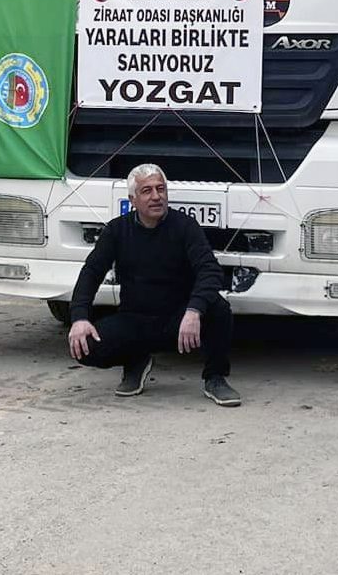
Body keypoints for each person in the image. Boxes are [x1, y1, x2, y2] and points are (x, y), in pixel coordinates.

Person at [67, 164, 240, 407]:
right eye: (147, 191)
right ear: (133, 200)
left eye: (161, 189)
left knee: (218, 308)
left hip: (178, 323)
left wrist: (194, 311)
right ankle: (136, 361)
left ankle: (215, 377)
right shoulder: (117, 230)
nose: (156, 196)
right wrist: (79, 317)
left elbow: (210, 271)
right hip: (135, 321)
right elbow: (91, 272)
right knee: (82, 346)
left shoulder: (185, 226)